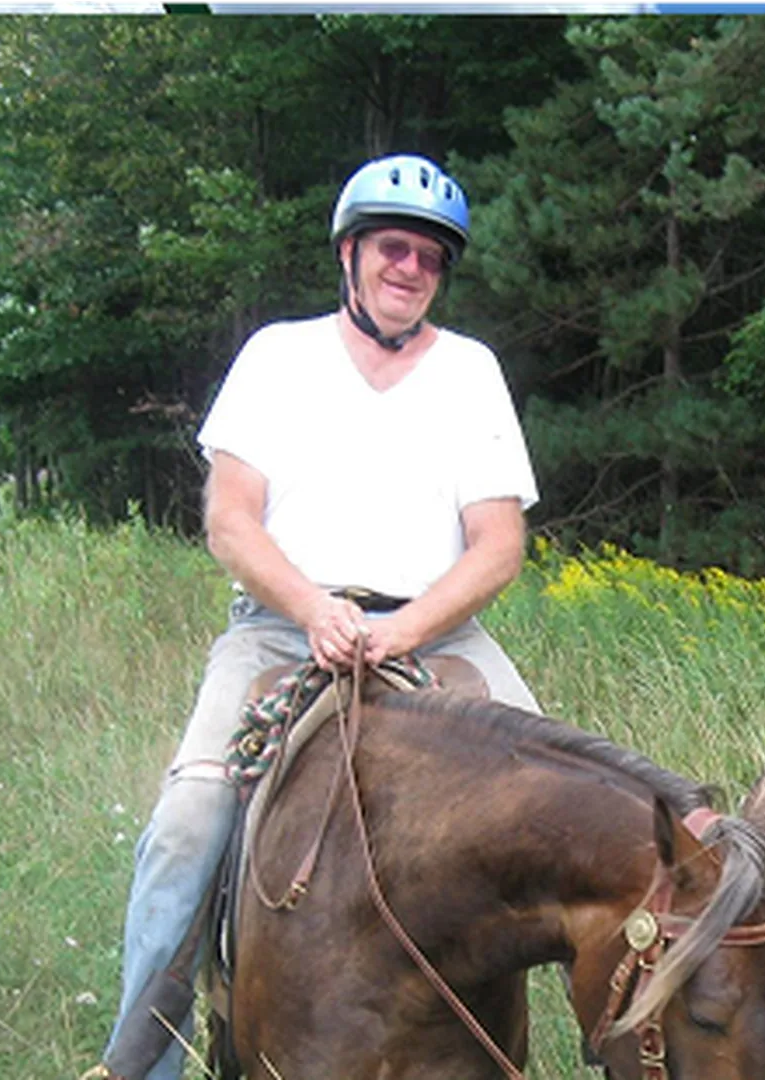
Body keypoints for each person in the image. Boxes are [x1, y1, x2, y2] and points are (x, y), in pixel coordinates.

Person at [89, 153, 540, 1080]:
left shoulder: (470, 371)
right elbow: (230, 519)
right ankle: (141, 1059)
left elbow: (497, 544)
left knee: (561, 805)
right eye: (392, 248)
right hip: (279, 627)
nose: (409, 268)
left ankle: (601, 1039)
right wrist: (312, 608)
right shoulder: (277, 357)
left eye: (428, 256)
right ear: (349, 253)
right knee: (187, 823)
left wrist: (406, 629)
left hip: (437, 631)